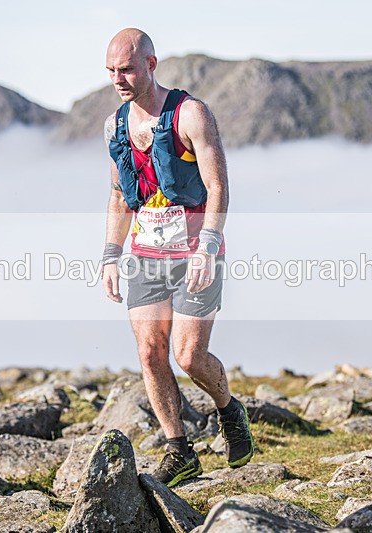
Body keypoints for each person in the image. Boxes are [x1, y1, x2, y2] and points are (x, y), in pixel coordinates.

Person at [100, 28, 254, 487]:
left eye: (127, 69)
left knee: (189, 356)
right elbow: (119, 195)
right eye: (111, 71)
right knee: (150, 353)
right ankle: (179, 450)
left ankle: (229, 410)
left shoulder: (191, 114)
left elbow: (218, 186)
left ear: (151, 64)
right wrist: (110, 255)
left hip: (195, 253)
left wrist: (209, 245)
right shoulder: (115, 126)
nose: (118, 79)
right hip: (145, 255)